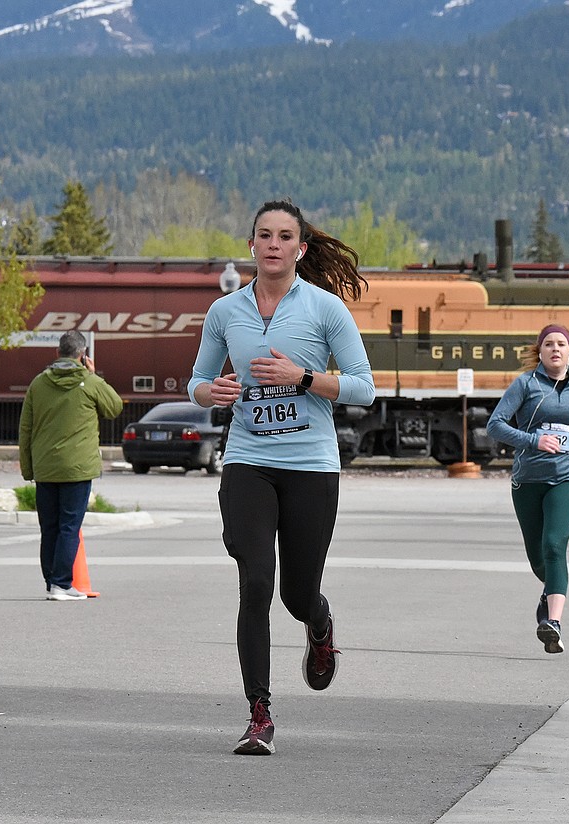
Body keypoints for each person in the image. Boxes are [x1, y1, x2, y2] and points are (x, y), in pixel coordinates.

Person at [187, 199, 375, 755]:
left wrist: (304, 377)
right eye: (263, 235)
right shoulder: (225, 312)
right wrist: (211, 393)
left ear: (301, 248)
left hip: (310, 466)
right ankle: (259, 713)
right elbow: (197, 382)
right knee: (255, 580)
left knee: (296, 594)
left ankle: (319, 625)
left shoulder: (325, 309)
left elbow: (364, 387)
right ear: (252, 246)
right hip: (247, 459)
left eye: (284, 235)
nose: (273, 244)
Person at [485, 324, 569, 655]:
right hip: (527, 480)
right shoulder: (525, 384)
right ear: (540, 352)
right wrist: (533, 440)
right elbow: (495, 425)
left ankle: (553, 623)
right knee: (538, 557)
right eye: (548, 344)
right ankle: (549, 592)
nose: (555, 349)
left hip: (568, 478)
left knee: (555, 545)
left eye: (561, 344)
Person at [19, 330, 123, 601]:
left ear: (57, 353)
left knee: (49, 527)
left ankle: (51, 581)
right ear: (82, 355)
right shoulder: (89, 382)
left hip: (45, 467)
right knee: (69, 526)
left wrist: (28, 468)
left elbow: (25, 429)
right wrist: (94, 373)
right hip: (77, 468)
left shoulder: (38, 384)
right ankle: (62, 584)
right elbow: (114, 407)